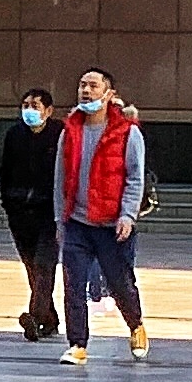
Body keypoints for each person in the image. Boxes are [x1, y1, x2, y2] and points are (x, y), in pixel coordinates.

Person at [55, 67, 151, 363]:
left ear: (109, 94)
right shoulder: (70, 131)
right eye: (82, 85)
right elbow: (60, 178)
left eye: (93, 86)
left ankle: (136, 325)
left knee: (120, 283)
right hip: (77, 224)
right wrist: (61, 219)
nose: (86, 91)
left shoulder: (127, 132)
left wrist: (128, 215)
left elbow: (135, 177)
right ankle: (77, 344)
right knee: (73, 285)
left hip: (112, 225)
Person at [0, 87, 64, 343]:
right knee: (31, 267)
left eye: (35, 106)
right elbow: (5, 170)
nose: (29, 110)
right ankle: (49, 318)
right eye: (26, 105)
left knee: (43, 264)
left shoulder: (59, 135)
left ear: (48, 111)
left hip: (49, 211)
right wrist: (8, 201)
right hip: (20, 212)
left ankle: (36, 318)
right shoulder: (14, 135)